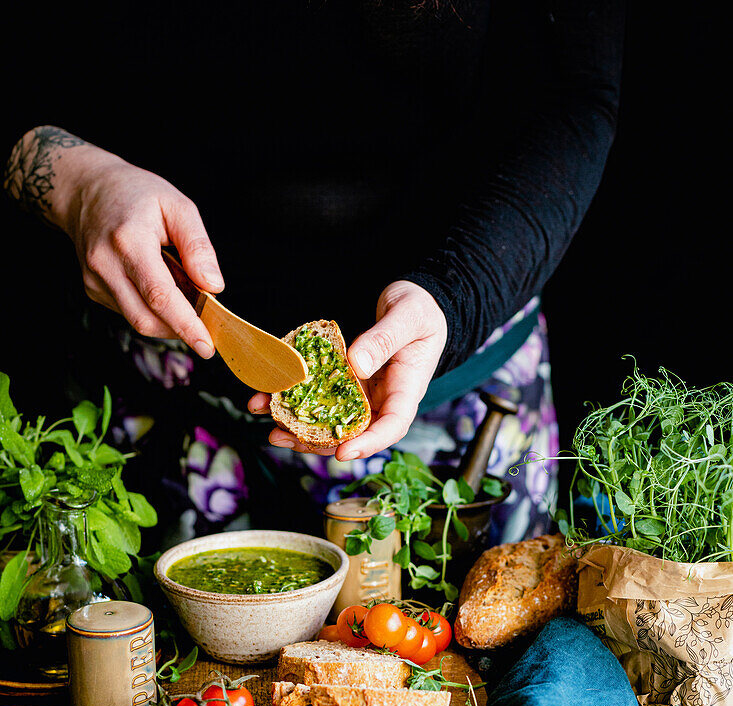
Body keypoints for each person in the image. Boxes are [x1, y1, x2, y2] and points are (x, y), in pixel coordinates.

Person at [2, 1, 625, 547]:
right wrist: (78, 184)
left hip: (458, 373)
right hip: (155, 385)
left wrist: (457, 294)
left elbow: (578, 89)